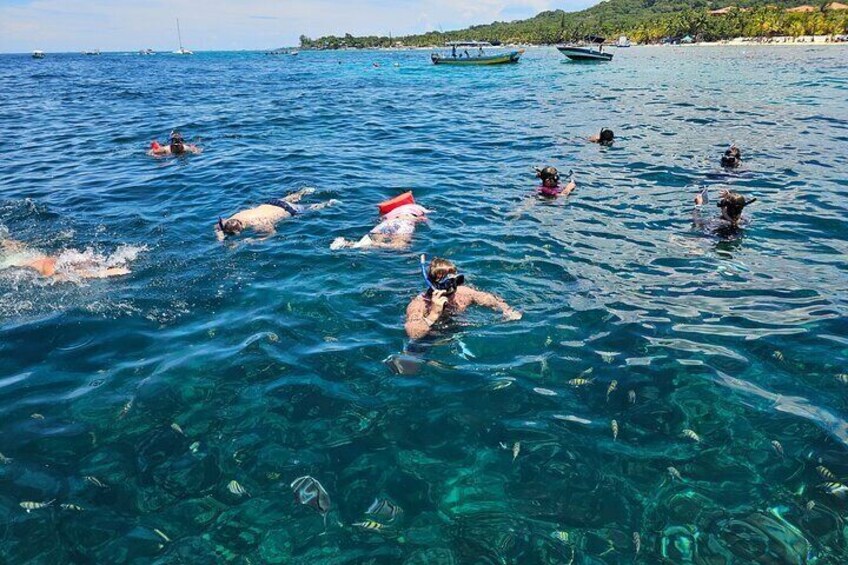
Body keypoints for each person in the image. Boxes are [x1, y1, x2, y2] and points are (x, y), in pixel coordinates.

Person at [404, 256, 521, 339]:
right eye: (449, 283)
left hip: (460, 329)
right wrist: (433, 314)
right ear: (434, 284)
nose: (454, 286)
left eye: (457, 280)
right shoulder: (420, 304)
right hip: (432, 337)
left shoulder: (463, 292)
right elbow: (414, 334)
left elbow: (488, 298)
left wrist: (506, 309)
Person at [216, 188, 338, 240]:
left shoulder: (258, 224)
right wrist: (220, 237)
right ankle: (304, 191)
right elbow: (218, 226)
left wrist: (255, 241)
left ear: (239, 231)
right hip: (272, 202)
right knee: (290, 198)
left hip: (288, 210)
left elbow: (272, 234)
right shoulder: (236, 217)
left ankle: (329, 203)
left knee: (311, 208)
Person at [0, 239, 133, 279]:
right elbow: (61, 277)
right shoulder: (49, 267)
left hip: (22, 256)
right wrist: (103, 273)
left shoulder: (53, 262)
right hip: (16, 260)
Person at [331, 202, 429, 250]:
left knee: (375, 237)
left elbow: (380, 219)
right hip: (402, 226)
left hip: (386, 225)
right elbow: (424, 218)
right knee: (400, 247)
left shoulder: (394, 214)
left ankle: (348, 243)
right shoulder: (413, 215)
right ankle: (370, 245)